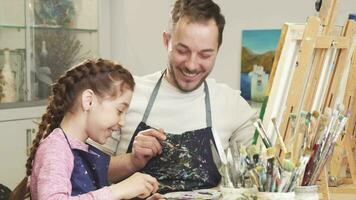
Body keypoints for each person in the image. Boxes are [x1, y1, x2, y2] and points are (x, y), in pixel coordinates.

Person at [110, 0, 256, 194]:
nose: (192, 65)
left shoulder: (234, 107)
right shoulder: (125, 95)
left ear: (218, 49)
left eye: (205, 55)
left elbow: (251, 183)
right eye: (182, 51)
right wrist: (131, 161)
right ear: (166, 40)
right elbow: (85, 172)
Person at [10, 59, 160, 200]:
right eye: (119, 111)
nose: (122, 122)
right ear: (88, 101)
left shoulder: (78, 148)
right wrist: (118, 190)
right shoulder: (55, 149)